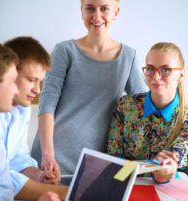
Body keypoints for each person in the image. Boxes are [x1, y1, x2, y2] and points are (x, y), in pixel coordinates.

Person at [31, 0, 147, 178]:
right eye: (90, 8)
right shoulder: (64, 51)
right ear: (82, 12)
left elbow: (143, 109)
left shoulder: (128, 57)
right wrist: (48, 155)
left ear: (115, 13)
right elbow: (47, 104)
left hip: (96, 162)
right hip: (53, 157)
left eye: (104, 9)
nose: (96, 16)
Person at [107, 42, 188, 183]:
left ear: (181, 74)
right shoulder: (125, 106)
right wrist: (137, 171)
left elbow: (167, 169)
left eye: (165, 70)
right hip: (124, 182)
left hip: (166, 187)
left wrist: (163, 171)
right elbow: (114, 160)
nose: (156, 77)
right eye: (150, 69)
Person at [0, 42, 62, 201]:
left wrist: (37, 175)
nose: (37, 90)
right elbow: (4, 178)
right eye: (31, 80)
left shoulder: (19, 109)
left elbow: (14, 161)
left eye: (40, 82)